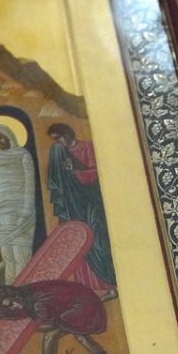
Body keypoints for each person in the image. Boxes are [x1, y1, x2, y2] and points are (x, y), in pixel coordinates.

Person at [0, 281, 120, 354]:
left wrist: (26, 330)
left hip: (83, 303)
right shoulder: (16, 298)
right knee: (62, 336)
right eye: (8, 306)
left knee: (67, 335)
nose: (12, 308)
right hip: (69, 303)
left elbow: (50, 325)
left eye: (11, 304)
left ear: (16, 296)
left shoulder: (38, 303)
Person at [46, 122, 115, 289]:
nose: (58, 142)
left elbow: (97, 173)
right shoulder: (61, 153)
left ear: (67, 135)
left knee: (98, 241)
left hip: (92, 203)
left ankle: (110, 284)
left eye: (58, 138)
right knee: (79, 241)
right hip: (76, 205)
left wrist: (75, 171)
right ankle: (90, 286)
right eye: (54, 139)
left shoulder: (87, 147)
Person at [0, 123, 38, 280]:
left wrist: (27, 209)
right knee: (7, 255)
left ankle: (23, 289)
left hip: (21, 208)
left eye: (0, 137)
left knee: (20, 254)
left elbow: (30, 183)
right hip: (1, 211)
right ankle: (10, 290)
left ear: (8, 135)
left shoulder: (23, 154)